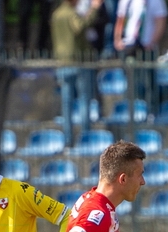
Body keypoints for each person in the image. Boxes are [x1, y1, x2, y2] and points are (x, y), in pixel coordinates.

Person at [51, 0, 104, 145]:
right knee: (84, 99)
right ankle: (85, 138)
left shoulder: (56, 14)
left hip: (62, 62)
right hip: (78, 62)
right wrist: (93, 9)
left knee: (66, 102)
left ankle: (68, 138)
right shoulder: (70, 13)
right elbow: (79, 26)